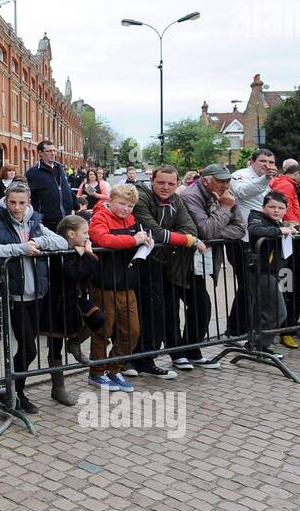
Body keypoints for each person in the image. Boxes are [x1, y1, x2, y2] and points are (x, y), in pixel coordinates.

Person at [0, 181, 67, 413]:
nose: (17, 208)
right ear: (6, 201)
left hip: (38, 293)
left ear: (28, 201)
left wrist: (38, 242)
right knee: (29, 348)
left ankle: (13, 390)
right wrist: (20, 249)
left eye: (21, 203)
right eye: (12, 202)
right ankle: (14, 391)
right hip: (16, 296)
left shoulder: (36, 222)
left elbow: (62, 241)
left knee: (28, 348)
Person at [130, 165, 205, 376]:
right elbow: (152, 231)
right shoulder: (141, 196)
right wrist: (188, 240)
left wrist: (179, 236)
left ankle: (146, 359)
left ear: (177, 184)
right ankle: (133, 360)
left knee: (160, 311)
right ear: (152, 181)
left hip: (162, 263)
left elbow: (190, 227)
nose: (166, 187)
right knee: (143, 313)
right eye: (161, 182)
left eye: (171, 183)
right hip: (136, 263)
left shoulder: (176, 200)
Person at [178, 164, 246, 368]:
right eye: (221, 180)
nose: (226, 184)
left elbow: (240, 229)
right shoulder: (191, 195)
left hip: (201, 261)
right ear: (207, 179)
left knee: (200, 305)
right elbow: (206, 231)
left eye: (227, 180)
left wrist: (214, 231)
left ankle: (188, 351)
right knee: (198, 305)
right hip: (181, 261)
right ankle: (185, 352)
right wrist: (225, 208)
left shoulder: (226, 193)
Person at [86, 185, 151, 391]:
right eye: (122, 203)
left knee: (132, 331)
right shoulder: (99, 216)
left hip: (126, 284)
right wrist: (133, 240)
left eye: (130, 206)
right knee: (102, 331)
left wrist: (144, 241)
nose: (125, 209)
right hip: (104, 284)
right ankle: (96, 372)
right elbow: (102, 239)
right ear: (111, 199)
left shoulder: (132, 220)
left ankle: (114, 368)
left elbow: (136, 237)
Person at [42, 214, 99, 405]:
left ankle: (74, 342)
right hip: (57, 302)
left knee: (99, 319)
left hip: (77, 300)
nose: (87, 236)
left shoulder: (78, 250)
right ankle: (58, 388)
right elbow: (73, 274)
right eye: (85, 232)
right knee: (55, 345)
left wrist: (86, 255)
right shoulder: (60, 251)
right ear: (71, 234)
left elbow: (88, 275)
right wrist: (87, 256)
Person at [227, 148, 277, 333]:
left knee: (255, 285)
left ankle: (247, 326)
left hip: (261, 239)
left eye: (271, 162)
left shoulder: (268, 182)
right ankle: (237, 329)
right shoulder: (239, 175)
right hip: (243, 240)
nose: (268, 165)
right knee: (247, 285)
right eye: (263, 161)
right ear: (252, 161)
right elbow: (243, 192)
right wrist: (265, 179)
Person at [245, 191, 295, 354]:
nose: (276, 210)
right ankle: (261, 345)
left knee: (264, 311)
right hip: (262, 272)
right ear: (263, 207)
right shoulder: (257, 217)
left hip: (276, 272)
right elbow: (256, 230)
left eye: (281, 208)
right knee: (277, 312)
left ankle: (255, 344)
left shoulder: (277, 223)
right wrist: (281, 231)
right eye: (272, 207)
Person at [26, 140, 75, 226]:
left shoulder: (60, 169)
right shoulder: (33, 172)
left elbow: (66, 189)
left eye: (53, 150)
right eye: (48, 151)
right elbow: (25, 194)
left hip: (66, 220)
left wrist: (76, 205)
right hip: (47, 222)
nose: (52, 153)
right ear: (40, 153)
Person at [269, 159, 300, 224]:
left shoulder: (285, 183)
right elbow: (286, 207)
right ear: (297, 174)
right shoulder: (287, 185)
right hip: (290, 223)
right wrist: (294, 223)